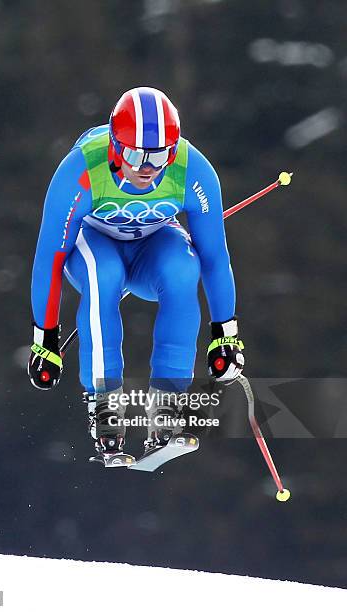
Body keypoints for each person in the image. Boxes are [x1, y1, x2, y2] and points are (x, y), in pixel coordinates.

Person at [28, 86, 245, 460]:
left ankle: (166, 409)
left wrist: (225, 334)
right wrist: (45, 338)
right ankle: (106, 407)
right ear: (115, 146)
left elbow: (214, 257)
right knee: (105, 275)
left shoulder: (193, 170)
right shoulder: (80, 170)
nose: (147, 167)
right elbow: (50, 257)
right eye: (134, 154)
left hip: (152, 245)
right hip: (92, 243)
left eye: (160, 155)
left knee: (183, 269)